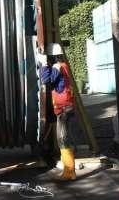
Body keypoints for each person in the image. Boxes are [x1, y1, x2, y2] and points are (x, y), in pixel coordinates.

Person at [39, 43, 76, 180]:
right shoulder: (64, 65)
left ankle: (69, 172)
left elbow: (46, 80)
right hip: (68, 106)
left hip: (63, 108)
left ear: (52, 57)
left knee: (63, 139)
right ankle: (69, 170)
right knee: (65, 137)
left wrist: (43, 65)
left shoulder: (57, 66)